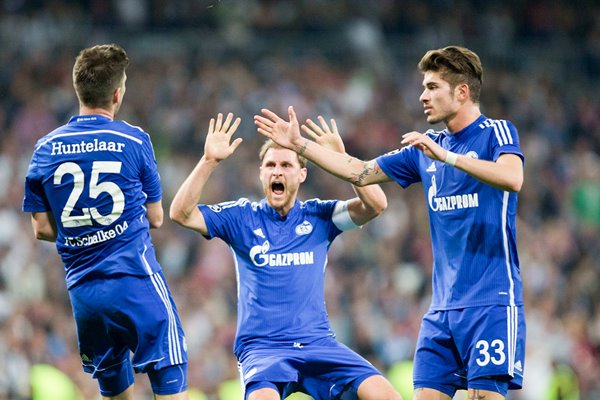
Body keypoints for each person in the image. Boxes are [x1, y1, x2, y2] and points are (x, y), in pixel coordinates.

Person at [254, 45, 526, 400]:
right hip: (442, 310)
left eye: (432, 87)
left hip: (491, 301)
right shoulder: (424, 150)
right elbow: (362, 172)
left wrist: (447, 156)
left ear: (462, 92)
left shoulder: (496, 133)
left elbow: (512, 177)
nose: (422, 96)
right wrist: (300, 145)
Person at [170, 112, 402, 400]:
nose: (277, 171)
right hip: (263, 350)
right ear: (261, 173)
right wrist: (209, 161)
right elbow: (181, 213)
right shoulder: (241, 217)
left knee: (386, 396)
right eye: (270, 165)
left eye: (285, 165)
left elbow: (376, 204)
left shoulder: (320, 216)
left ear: (302, 174)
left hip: (318, 344)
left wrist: (341, 158)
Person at [22, 44, 188, 400]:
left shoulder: (45, 149)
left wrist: (86, 232)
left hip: (85, 296)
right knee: (171, 375)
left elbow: (41, 229)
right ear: (117, 93)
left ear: (78, 89)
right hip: (135, 282)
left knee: (113, 392)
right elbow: (156, 217)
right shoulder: (133, 139)